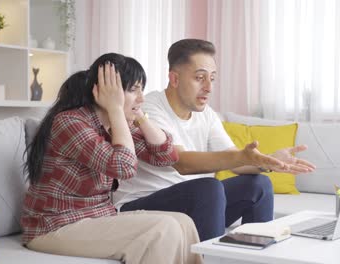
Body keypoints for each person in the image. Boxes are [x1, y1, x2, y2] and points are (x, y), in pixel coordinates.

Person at [114, 39, 316, 241]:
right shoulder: (148, 107)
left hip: (199, 203)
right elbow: (181, 162)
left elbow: (236, 161)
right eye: (200, 78)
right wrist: (242, 157)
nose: (209, 87)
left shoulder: (207, 115)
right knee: (209, 187)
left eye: (212, 78)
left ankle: (255, 256)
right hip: (142, 206)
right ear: (174, 79)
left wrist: (267, 161)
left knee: (259, 185)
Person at [20, 53, 203, 264]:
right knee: (163, 229)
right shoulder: (70, 123)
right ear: (107, 93)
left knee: (183, 223)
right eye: (134, 90)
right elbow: (124, 167)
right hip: (53, 226)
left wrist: (140, 115)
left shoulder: (113, 126)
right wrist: (116, 108)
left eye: (141, 90)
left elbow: (167, 155)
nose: (142, 98)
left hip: (97, 215)